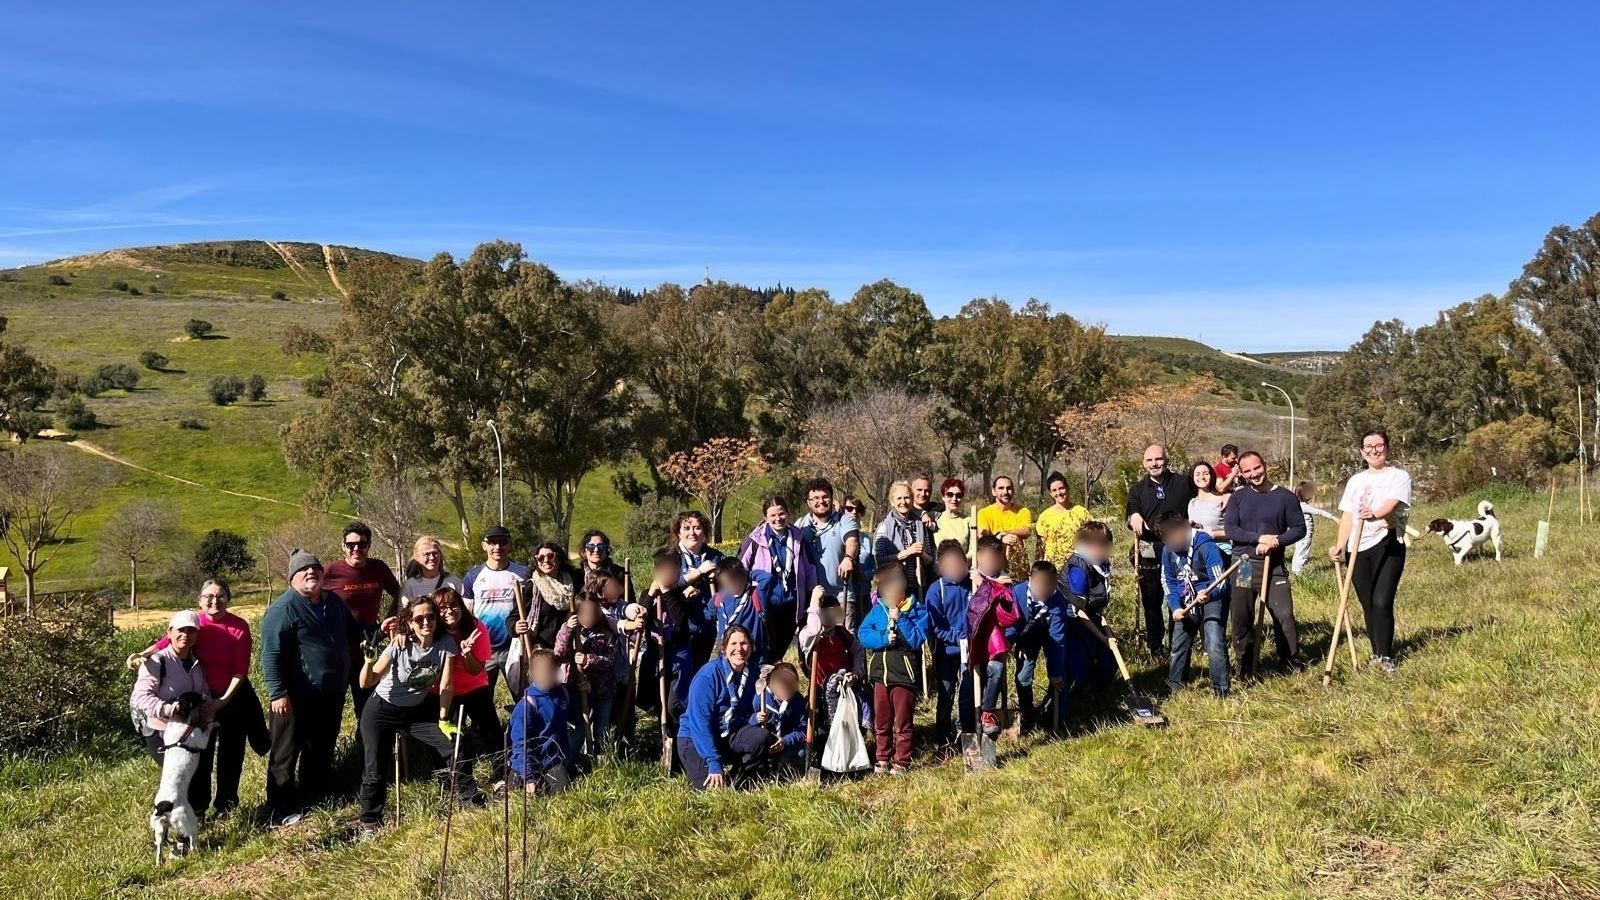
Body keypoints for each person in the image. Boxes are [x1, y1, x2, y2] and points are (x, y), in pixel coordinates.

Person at [128, 580, 267, 819]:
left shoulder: (239, 627)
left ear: (228, 598)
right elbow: (167, 640)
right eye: (209, 597)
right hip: (200, 699)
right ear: (199, 600)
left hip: (231, 697)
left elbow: (240, 671)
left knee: (231, 753)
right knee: (200, 755)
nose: (215, 601)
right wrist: (144, 655)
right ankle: (198, 809)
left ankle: (226, 805)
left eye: (221, 596)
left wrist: (222, 701)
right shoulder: (195, 623)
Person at [355, 594, 480, 836]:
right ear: (410, 622)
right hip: (381, 709)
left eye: (430, 617)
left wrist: (444, 719)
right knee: (375, 767)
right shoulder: (399, 645)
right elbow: (366, 682)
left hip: (417, 711)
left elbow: (446, 686)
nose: (425, 622)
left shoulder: (445, 645)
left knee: (455, 745)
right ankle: (370, 822)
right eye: (419, 618)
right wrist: (369, 660)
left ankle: (469, 800)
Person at [260, 550, 362, 826]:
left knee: (321, 747)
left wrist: (381, 628)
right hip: (294, 697)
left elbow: (354, 632)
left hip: (330, 694)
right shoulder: (283, 609)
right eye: (304, 570)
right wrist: (278, 693)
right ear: (292, 577)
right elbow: (271, 654)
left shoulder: (334, 603)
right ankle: (279, 807)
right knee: (285, 753)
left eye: (315, 568)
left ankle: (314, 795)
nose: (311, 573)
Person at [1330, 429, 1412, 676]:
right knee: (1367, 604)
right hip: (1357, 547)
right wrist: (1340, 545)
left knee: (1381, 601)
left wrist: (1375, 513)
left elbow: (1393, 504)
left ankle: (1387, 656)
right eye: (1369, 446)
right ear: (1361, 452)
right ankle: (1377, 654)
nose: (1374, 450)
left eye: (1379, 445)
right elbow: (1347, 515)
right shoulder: (1355, 481)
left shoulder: (1399, 476)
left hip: (1387, 542)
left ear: (1387, 448)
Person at [1223, 451, 1307, 676]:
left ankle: (1289, 663)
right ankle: (1245, 666)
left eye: (1256, 468)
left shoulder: (1285, 497)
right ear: (1241, 473)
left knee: (1284, 616)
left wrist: (1276, 540)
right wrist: (1258, 538)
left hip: (1274, 566)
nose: (1254, 474)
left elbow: (1300, 528)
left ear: (1265, 465)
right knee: (1241, 617)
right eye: (1247, 471)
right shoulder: (1238, 498)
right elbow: (1231, 529)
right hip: (1245, 565)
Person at [130, 610, 215, 806]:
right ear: (169, 632)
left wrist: (207, 717)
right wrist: (168, 709)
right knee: (178, 777)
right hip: (161, 731)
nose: (186, 635)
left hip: (189, 730)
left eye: (191, 631)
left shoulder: (196, 663)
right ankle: (167, 820)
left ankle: (195, 821)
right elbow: (140, 697)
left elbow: (204, 693)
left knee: (198, 775)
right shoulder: (156, 662)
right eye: (181, 630)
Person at [320, 522, 401, 721]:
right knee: (332, 708)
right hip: (338, 650)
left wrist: (387, 621)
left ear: (368, 546)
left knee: (367, 706)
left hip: (368, 648)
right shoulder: (331, 571)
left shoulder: (378, 568)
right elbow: (311, 600)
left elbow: (398, 593)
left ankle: (366, 749)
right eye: (351, 545)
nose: (356, 549)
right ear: (343, 546)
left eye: (362, 544)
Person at [1125, 444, 1197, 656]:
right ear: (1143, 463)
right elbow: (1129, 516)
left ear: (1166, 460)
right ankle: (1155, 646)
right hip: (1149, 549)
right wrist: (1134, 517)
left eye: (1158, 459)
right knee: (1152, 599)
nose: (1155, 464)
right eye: (1150, 460)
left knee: (1179, 595)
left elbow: (1202, 496)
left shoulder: (1183, 483)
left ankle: (1179, 644)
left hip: (1179, 547)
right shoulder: (1137, 490)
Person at [858, 564, 929, 775]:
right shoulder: (877, 609)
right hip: (881, 676)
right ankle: (882, 758)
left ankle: (902, 760)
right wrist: (882, 639)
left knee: (903, 721)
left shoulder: (917, 610)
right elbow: (863, 634)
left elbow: (917, 639)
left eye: (891, 586)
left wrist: (902, 619)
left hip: (904, 676)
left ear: (903, 584)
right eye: (883, 589)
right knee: (882, 720)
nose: (887, 593)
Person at [433, 587, 502, 784]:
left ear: (461, 606)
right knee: (452, 735)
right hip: (444, 691)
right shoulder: (433, 631)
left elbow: (476, 670)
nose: (449, 611)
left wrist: (467, 654)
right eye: (442, 608)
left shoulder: (477, 628)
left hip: (474, 687)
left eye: (453, 605)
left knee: (491, 731)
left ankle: (501, 771)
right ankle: (452, 779)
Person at [677, 625, 759, 790]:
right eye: (733, 644)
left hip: (726, 732)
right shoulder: (708, 676)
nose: (739, 649)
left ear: (750, 646)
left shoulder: (752, 674)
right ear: (723, 649)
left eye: (744, 643)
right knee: (711, 791)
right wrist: (713, 760)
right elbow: (700, 722)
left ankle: (737, 779)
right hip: (694, 738)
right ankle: (711, 768)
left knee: (761, 738)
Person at [1158, 511, 1231, 697]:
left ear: (1184, 529)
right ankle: (1175, 684)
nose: (1172, 544)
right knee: (1179, 643)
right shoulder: (1168, 550)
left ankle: (1221, 690)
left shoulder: (1207, 547)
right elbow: (1169, 581)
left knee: (1214, 641)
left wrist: (1208, 594)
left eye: (1174, 539)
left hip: (1211, 597)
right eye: (1168, 541)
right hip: (1186, 600)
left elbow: (1221, 582)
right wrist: (1175, 607)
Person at [738, 496, 817, 664]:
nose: (777, 519)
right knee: (763, 648)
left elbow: (809, 570)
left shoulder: (798, 538)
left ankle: (774, 683)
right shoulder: (755, 540)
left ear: (787, 513)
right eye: (772, 515)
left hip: (791, 604)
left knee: (780, 649)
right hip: (764, 605)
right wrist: (757, 578)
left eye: (781, 514)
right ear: (765, 518)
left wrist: (809, 599)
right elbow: (739, 569)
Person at [461, 524, 530, 694]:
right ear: (484, 546)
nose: (497, 547)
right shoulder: (473, 576)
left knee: (523, 695)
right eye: (492, 543)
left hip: (515, 647)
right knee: (482, 697)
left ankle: (522, 721)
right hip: (485, 649)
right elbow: (467, 614)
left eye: (502, 542)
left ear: (510, 545)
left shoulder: (523, 574)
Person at [798, 591, 866, 756]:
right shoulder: (809, 634)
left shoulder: (842, 634)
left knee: (847, 724)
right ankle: (825, 759)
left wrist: (856, 672)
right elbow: (813, 631)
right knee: (823, 728)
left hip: (842, 688)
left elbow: (858, 650)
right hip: (819, 689)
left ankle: (849, 758)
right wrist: (814, 602)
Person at [554, 592, 619, 757]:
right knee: (580, 725)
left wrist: (589, 659)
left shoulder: (606, 634)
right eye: (584, 612)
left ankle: (600, 758)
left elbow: (610, 660)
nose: (588, 616)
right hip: (578, 689)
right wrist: (568, 629)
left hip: (603, 689)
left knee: (601, 727)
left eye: (592, 612)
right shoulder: (571, 632)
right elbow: (559, 654)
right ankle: (573, 757)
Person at [965, 545, 1020, 736]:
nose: (989, 563)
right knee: (967, 682)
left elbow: (1010, 615)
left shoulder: (1005, 583)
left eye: (993, 559)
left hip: (993, 641)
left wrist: (987, 585)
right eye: (985, 558)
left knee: (996, 670)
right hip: (969, 641)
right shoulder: (967, 578)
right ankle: (963, 723)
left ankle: (987, 711)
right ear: (978, 556)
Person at [925, 539, 973, 748]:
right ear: (940, 567)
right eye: (949, 566)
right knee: (946, 694)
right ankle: (943, 738)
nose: (955, 569)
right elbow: (936, 626)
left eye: (958, 564)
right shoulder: (936, 590)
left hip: (970, 650)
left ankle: (966, 732)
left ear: (966, 562)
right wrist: (958, 637)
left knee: (968, 692)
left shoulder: (973, 584)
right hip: (946, 650)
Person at [508, 649, 575, 796]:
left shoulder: (562, 693)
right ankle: (503, 787)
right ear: (531, 674)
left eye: (550, 670)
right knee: (517, 798)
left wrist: (586, 692)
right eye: (541, 672)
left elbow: (577, 717)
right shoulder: (527, 705)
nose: (546, 675)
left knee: (563, 793)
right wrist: (528, 778)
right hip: (525, 764)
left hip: (553, 761)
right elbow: (520, 744)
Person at [727, 661, 807, 776]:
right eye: (782, 687)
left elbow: (802, 730)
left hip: (784, 742)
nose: (787, 691)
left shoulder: (797, 701)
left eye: (792, 687)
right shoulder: (760, 698)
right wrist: (755, 719)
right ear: (771, 684)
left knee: (800, 753)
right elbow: (743, 722)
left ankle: (783, 773)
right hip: (765, 742)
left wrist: (785, 741)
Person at [646, 546, 697, 721]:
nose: (667, 575)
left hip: (679, 656)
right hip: (657, 654)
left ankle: (678, 737)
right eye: (663, 571)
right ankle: (662, 736)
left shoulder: (681, 596)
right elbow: (641, 616)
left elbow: (680, 620)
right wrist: (651, 594)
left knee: (675, 704)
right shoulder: (649, 595)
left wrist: (667, 592)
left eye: (672, 571)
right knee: (657, 700)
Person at [1062, 522, 1117, 684]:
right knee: (1085, 658)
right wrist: (1102, 637)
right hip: (1072, 620)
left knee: (1108, 654)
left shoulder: (1099, 563)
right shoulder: (1079, 569)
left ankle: (1102, 693)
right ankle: (1081, 697)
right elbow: (1079, 610)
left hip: (1091, 615)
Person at [794, 477, 860, 607]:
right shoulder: (800, 525)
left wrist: (848, 558)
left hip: (841, 596)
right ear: (809, 503)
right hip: (811, 598)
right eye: (816, 498)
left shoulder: (844, 520)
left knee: (844, 628)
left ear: (831, 499)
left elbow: (852, 541)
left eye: (825, 497)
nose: (821, 501)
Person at [673, 511, 725, 668]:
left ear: (705, 531)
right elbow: (666, 584)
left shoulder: (716, 557)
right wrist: (699, 572)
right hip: (679, 627)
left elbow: (730, 586)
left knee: (699, 669)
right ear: (678, 533)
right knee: (681, 675)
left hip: (706, 626)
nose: (692, 533)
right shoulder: (671, 556)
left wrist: (718, 577)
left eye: (697, 528)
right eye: (687, 528)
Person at [874, 481, 932, 594]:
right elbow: (879, 560)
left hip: (918, 586)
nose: (903, 502)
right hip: (893, 586)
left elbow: (930, 560)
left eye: (907, 498)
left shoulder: (920, 525)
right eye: (899, 498)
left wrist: (923, 555)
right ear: (892, 502)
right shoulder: (884, 527)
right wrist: (908, 552)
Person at [711, 559, 767, 669]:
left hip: (754, 656)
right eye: (727, 583)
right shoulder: (719, 598)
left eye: (736, 580)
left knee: (752, 684)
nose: (733, 585)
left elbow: (767, 579)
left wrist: (747, 573)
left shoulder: (755, 594)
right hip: (727, 655)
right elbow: (707, 615)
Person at [976, 475, 1034, 582]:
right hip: (994, 574)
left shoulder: (1023, 511)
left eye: (1009, 488)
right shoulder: (984, 513)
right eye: (1001, 488)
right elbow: (983, 539)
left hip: (1019, 573)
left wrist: (1004, 533)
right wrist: (1001, 539)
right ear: (994, 491)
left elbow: (1027, 531)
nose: (1005, 491)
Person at [526, 542, 580, 650]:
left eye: (550, 556)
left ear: (559, 559)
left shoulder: (574, 583)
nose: (546, 561)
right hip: (542, 648)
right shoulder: (532, 586)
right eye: (541, 558)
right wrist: (516, 626)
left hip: (570, 647)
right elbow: (514, 616)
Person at [1035, 472, 1090, 569]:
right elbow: (1040, 548)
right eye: (1054, 490)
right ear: (1051, 494)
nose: (1059, 493)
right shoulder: (1044, 516)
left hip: (1077, 565)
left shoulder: (1080, 512)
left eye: (1061, 488)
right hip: (1053, 567)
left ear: (1067, 488)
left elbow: (1091, 538)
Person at [840, 496, 875, 623]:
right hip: (844, 594)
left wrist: (863, 575)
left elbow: (874, 569)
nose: (854, 512)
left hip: (863, 594)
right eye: (849, 509)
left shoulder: (867, 539)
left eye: (858, 509)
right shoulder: (839, 536)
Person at [1291, 482, 1339, 575]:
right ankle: (1298, 572)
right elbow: (1319, 512)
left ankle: (1296, 570)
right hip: (1305, 533)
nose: (1312, 494)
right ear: (1303, 493)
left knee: (1299, 550)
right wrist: (1334, 518)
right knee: (1303, 551)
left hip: (1301, 532)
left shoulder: (1298, 505)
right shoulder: (1303, 506)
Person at [401, 535, 462, 607]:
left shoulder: (454, 582)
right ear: (417, 558)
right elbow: (404, 614)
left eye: (435, 553)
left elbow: (463, 611)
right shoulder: (410, 585)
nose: (432, 557)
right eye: (426, 554)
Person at [578, 530, 633, 604]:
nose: (596, 549)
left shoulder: (620, 573)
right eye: (591, 546)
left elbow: (631, 601)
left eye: (601, 546)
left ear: (606, 549)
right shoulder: (576, 575)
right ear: (584, 551)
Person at [1188, 462, 1232, 553]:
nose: (1202, 477)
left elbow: (1235, 531)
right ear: (1192, 478)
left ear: (1212, 476)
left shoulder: (1222, 501)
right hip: (1198, 550)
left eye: (1206, 474)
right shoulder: (1192, 503)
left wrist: (1214, 534)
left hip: (1221, 550)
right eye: (1197, 474)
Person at [931, 478, 974, 552]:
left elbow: (973, 550)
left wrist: (960, 560)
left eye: (958, 495)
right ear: (943, 497)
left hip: (962, 562)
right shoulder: (934, 518)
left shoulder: (968, 521)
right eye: (950, 495)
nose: (954, 498)